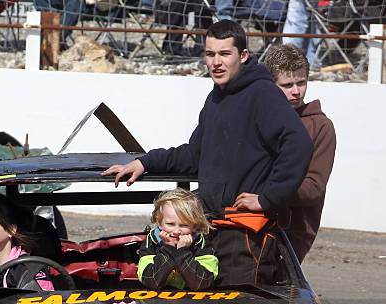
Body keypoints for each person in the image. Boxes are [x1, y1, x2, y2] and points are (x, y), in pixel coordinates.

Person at [104, 20, 313, 285]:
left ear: (243, 55)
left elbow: (299, 144)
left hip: (245, 239)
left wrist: (268, 198)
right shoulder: (216, 97)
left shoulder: (263, 93)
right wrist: (145, 162)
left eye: (225, 54)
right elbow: (194, 155)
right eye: (210, 54)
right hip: (212, 230)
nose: (216, 62)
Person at [264, 44, 336, 262]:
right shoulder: (258, 117)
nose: (296, 91)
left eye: (301, 83)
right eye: (287, 85)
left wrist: (265, 195)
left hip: (293, 231)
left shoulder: (321, 126)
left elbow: (314, 186)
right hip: (250, 219)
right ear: (270, 84)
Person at [138, 188, 218, 290]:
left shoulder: (201, 243)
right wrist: (168, 249)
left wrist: (182, 252)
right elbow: (150, 281)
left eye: (184, 225)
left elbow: (201, 283)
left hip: (194, 301)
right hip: (159, 300)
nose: (176, 231)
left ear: (195, 225)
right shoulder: (152, 241)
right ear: (159, 222)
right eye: (170, 224)